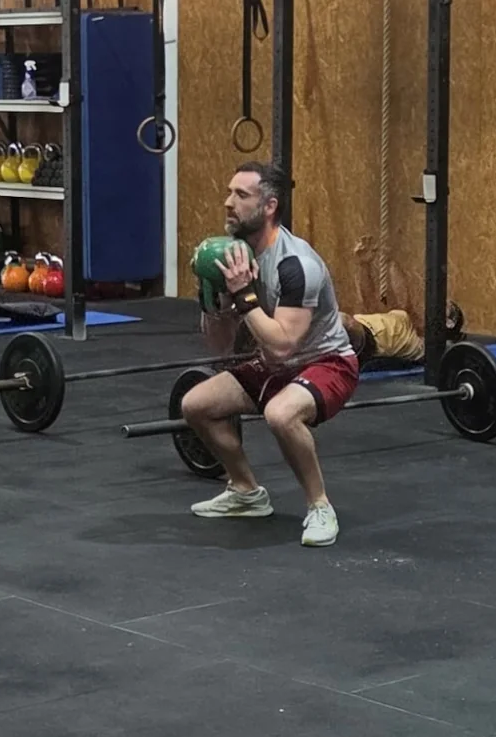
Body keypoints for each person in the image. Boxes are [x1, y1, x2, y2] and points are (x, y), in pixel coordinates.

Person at [180, 161, 360, 548]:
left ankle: (320, 506)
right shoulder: (233, 258)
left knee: (281, 413)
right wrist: (215, 297)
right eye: (229, 193)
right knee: (195, 404)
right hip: (275, 365)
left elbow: (282, 344)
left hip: (327, 362)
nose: (228, 203)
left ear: (269, 207)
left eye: (241, 195)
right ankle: (246, 492)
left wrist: (244, 296)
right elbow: (221, 347)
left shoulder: (297, 265)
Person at [340, 233, 465, 368]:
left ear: (448, 323)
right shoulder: (405, 319)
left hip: (364, 341)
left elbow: (404, 300)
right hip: (360, 329)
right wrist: (365, 265)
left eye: (444, 307)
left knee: (341, 321)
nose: (434, 305)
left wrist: (391, 261)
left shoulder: (421, 345)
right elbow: (370, 302)